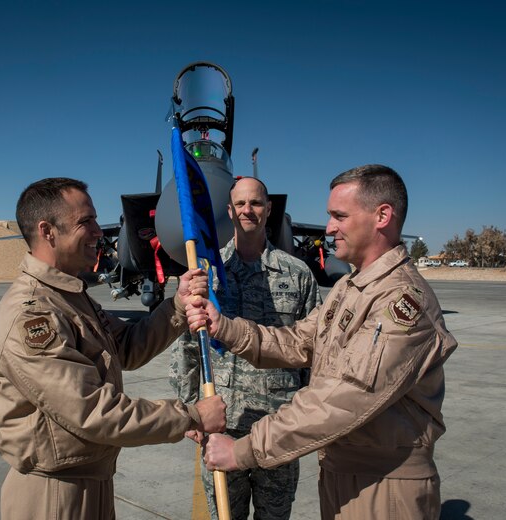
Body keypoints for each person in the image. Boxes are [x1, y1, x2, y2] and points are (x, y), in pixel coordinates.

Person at [188, 165, 458, 519]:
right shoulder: (350, 287)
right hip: (343, 471)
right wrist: (224, 327)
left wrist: (242, 450)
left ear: (382, 216)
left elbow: (342, 400)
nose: (329, 228)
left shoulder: (401, 302)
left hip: (384, 482)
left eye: (339, 216)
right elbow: (297, 342)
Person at [0, 177, 226, 520]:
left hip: (89, 480)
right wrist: (191, 416)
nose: (99, 232)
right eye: (86, 221)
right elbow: (92, 411)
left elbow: (126, 347)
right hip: (55, 495)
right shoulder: (34, 314)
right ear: (48, 231)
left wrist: (177, 306)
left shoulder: (70, 297)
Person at [170, 176, 322, 519]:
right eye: (240, 203)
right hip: (224, 424)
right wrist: (191, 411)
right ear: (229, 211)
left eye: (255, 203)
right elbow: (188, 348)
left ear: (268, 209)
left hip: (279, 428)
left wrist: (307, 417)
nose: (247, 210)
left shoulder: (298, 275)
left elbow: (316, 353)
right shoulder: (208, 276)